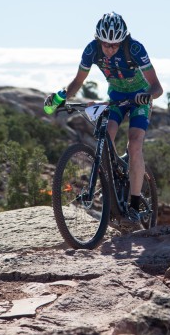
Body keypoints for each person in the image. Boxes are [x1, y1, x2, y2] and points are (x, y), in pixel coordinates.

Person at [44, 12, 163, 230]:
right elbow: (78, 82)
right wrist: (60, 98)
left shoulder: (135, 48)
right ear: (98, 40)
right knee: (105, 136)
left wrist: (147, 95)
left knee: (134, 144)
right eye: (105, 44)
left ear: (123, 40)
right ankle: (112, 190)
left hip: (139, 99)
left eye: (114, 45)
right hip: (116, 98)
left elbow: (157, 87)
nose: (109, 48)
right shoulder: (91, 50)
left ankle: (134, 206)